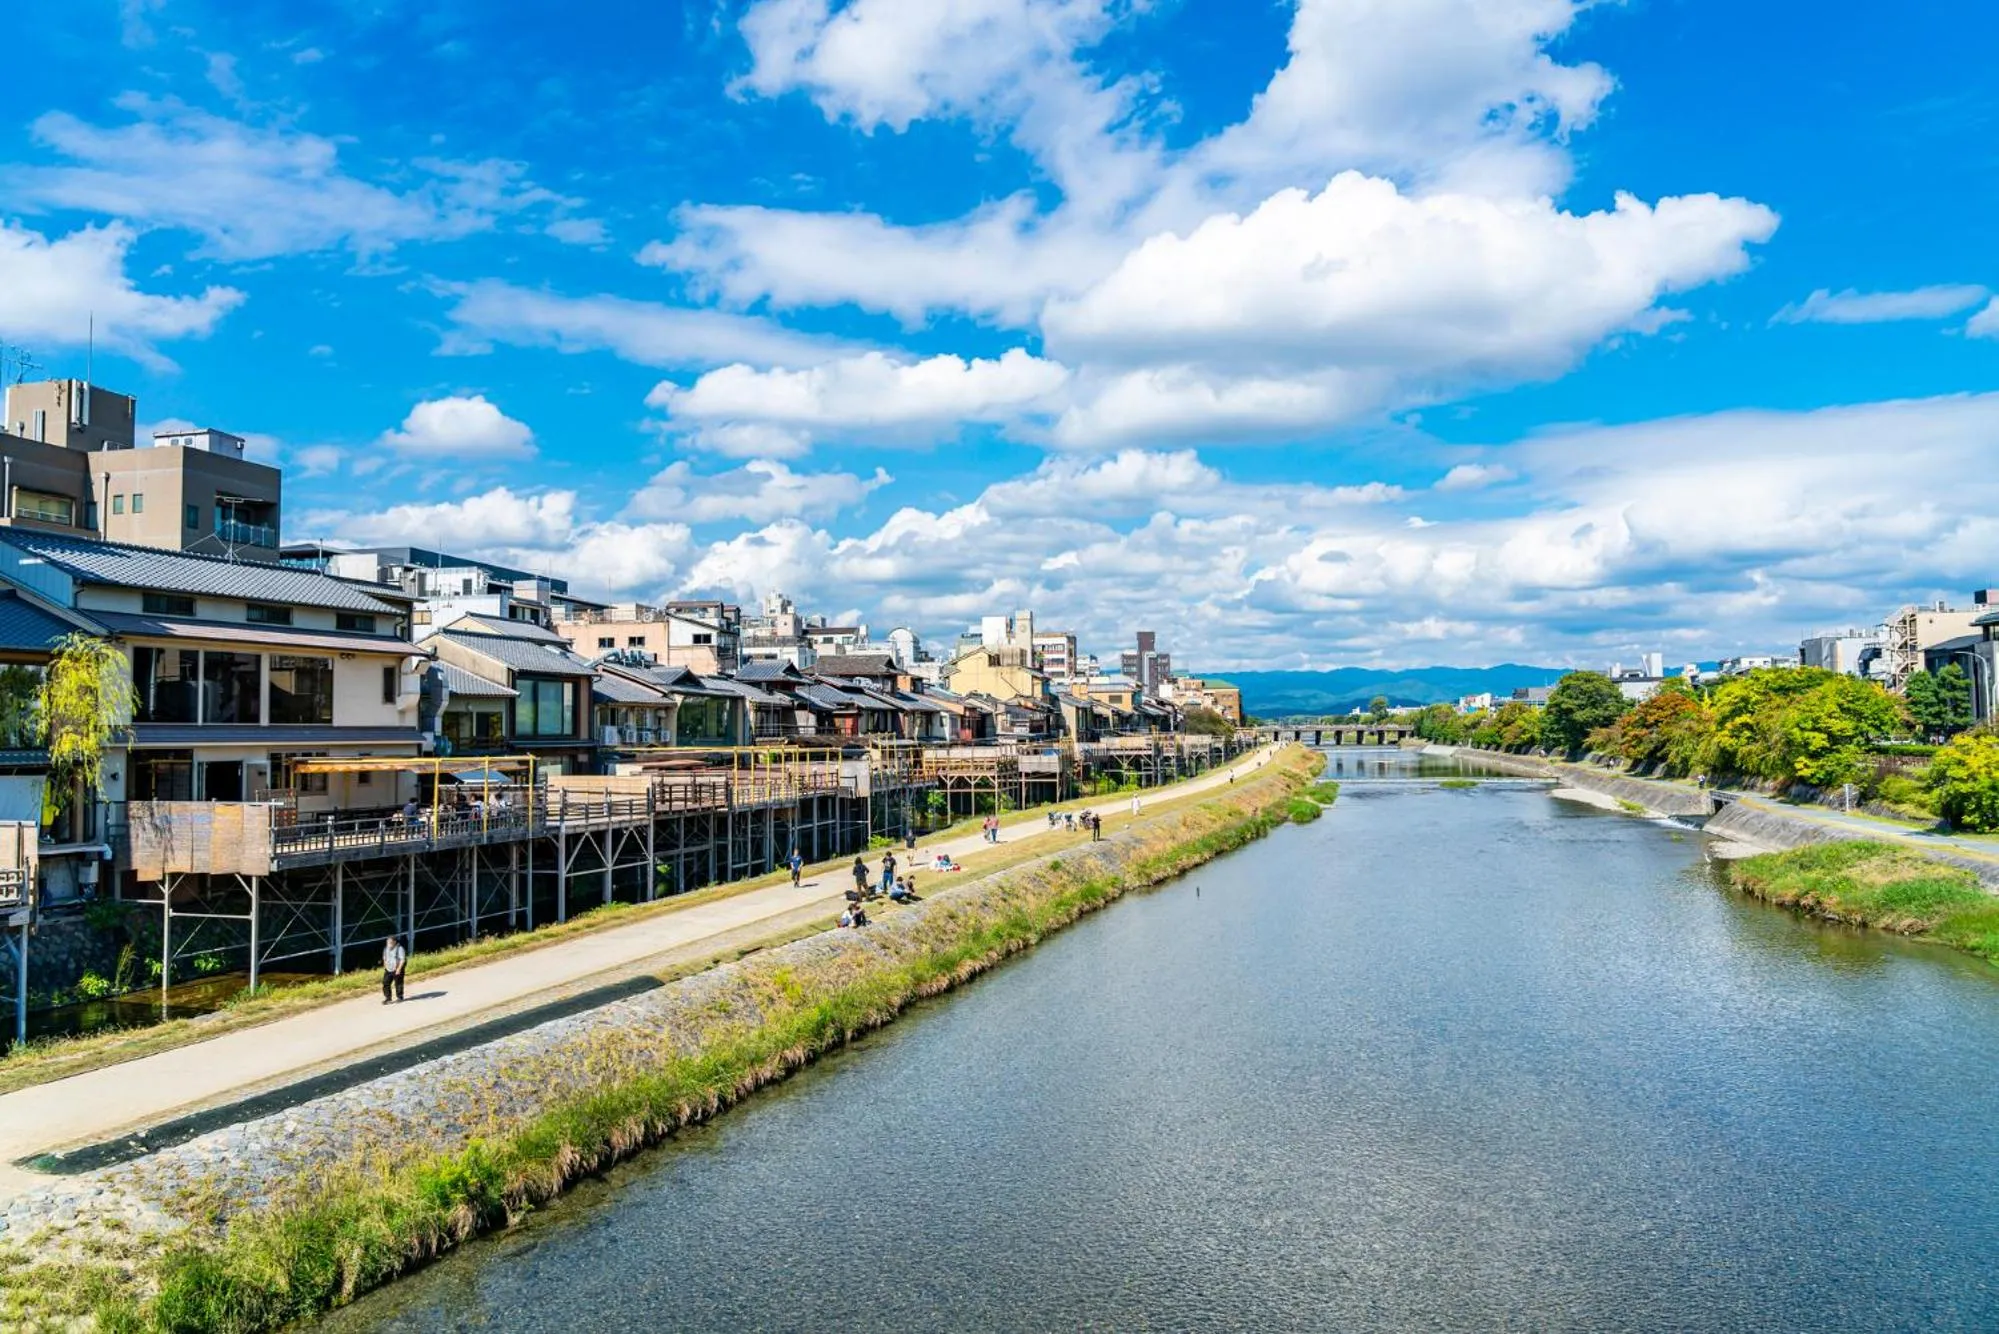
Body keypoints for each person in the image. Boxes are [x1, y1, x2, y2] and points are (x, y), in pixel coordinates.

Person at [380, 935, 406, 1004]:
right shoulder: (386, 948)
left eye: (390, 942)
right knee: (385, 983)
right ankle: (388, 998)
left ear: (394, 942)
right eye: (387, 942)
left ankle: (400, 997)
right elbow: (384, 957)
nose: (388, 944)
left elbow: (402, 960)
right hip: (388, 969)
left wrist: (399, 969)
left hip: (397, 968)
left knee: (398, 983)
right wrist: (385, 966)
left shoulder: (400, 948)